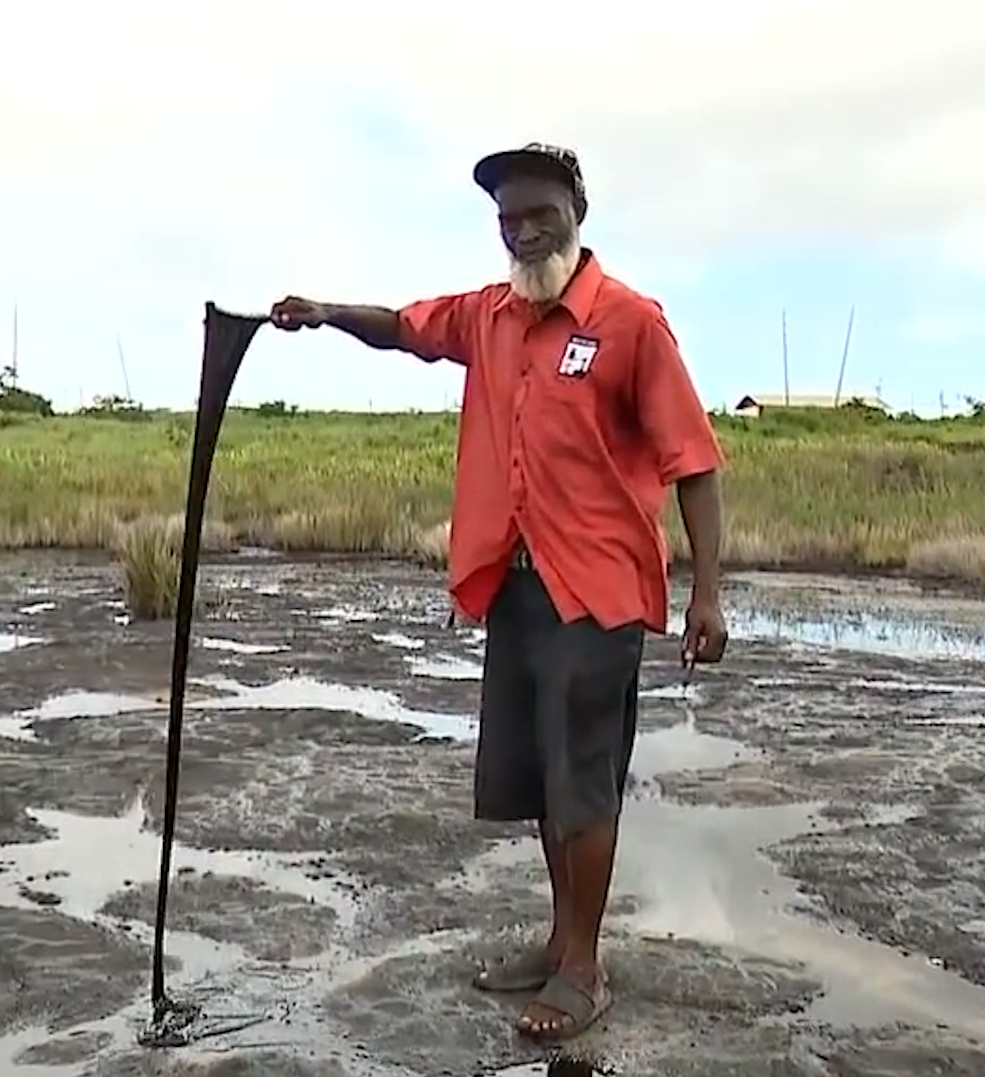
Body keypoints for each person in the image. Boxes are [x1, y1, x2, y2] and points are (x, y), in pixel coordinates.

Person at [266, 143, 728, 1043]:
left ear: (576, 211)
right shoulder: (490, 317)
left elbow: (695, 461)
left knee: (585, 781)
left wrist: (707, 594)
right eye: (508, 218)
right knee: (538, 779)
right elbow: (404, 325)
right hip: (514, 588)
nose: (522, 230)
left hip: (597, 594)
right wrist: (323, 314)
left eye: (538, 213)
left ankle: (587, 970)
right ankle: (561, 941)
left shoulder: (632, 323)